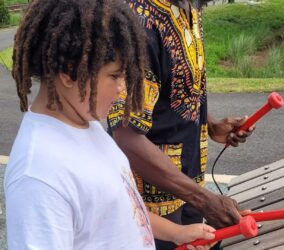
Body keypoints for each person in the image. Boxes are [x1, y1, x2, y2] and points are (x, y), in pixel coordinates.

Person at [4, 0, 217, 249]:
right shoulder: (38, 176)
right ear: (70, 73)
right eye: (115, 76)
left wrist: (176, 232)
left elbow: (123, 210)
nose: (122, 90)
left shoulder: (86, 126)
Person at [107, 0, 255, 248]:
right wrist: (204, 199)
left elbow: (178, 89)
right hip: (151, 208)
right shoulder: (140, 23)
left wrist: (211, 125)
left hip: (189, 184)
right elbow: (125, 135)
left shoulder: (190, 7)